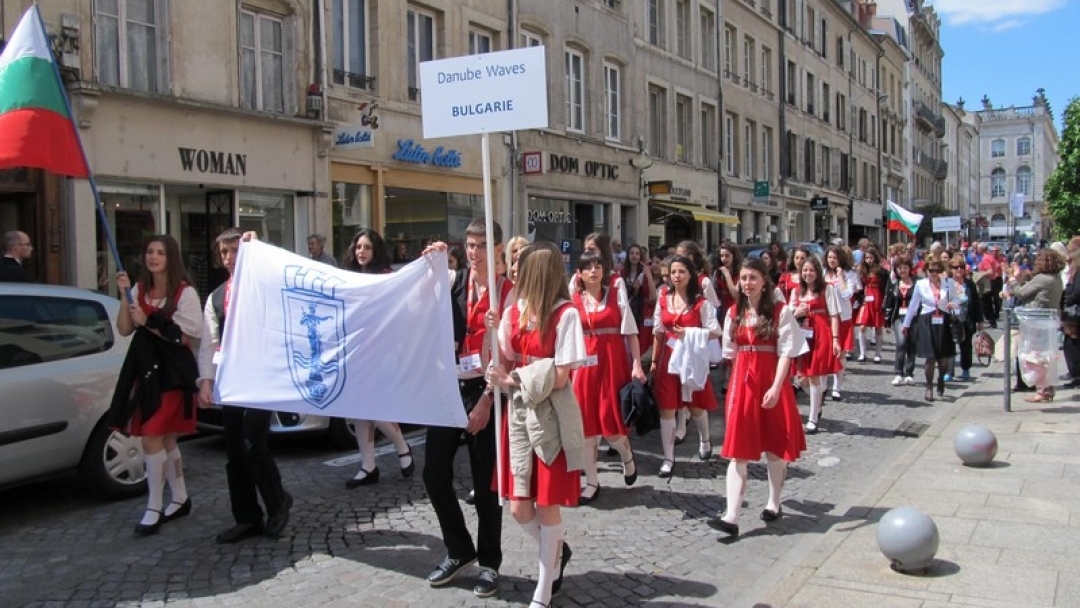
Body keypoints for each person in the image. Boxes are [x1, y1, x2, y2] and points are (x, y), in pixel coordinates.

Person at [486, 241, 587, 608]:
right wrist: (493, 331)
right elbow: (505, 356)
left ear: (537, 273)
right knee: (518, 507)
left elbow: (561, 376)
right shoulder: (515, 311)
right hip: (517, 414)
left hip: (551, 417)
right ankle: (556, 548)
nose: (515, 274)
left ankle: (542, 592)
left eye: (521, 268)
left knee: (546, 505)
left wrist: (511, 379)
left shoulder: (566, 314)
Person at [420, 220, 512, 599]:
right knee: (433, 473)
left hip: (487, 387)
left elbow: (509, 352)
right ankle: (460, 549)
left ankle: (490, 562)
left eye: (481, 246)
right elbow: (421, 297)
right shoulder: (457, 281)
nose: (474, 252)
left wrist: (488, 399)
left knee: (485, 481)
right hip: (451, 385)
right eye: (469, 245)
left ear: (498, 249)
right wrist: (429, 263)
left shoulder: (508, 291)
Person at [197, 228, 291, 543]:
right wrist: (206, 381)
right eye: (223, 253)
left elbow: (284, 275)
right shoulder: (214, 297)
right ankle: (247, 517)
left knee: (254, 444)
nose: (228, 258)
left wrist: (259, 245)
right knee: (235, 451)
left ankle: (278, 503)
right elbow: (210, 344)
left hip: (261, 377)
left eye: (234, 251)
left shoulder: (263, 287)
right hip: (232, 381)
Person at [107, 235, 201, 536]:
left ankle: (154, 505)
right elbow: (124, 329)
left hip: (172, 375)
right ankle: (181, 497)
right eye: (149, 251)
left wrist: (149, 321)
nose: (153, 257)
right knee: (167, 440)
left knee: (151, 436)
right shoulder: (141, 289)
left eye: (160, 252)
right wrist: (124, 295)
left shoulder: (185, 294)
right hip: (145, 371)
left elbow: (187, 337)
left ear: (171, 257)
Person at [708, 258, 807, 539]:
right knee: (737, 450)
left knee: (774, 447)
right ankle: (731, 515)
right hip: (743, 384)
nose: (747, 283)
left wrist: (776, 387)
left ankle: (774, 501)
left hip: (770, 382)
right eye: (743, 278)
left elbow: (787, 351)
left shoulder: (780, 312)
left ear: (765, 282)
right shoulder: (733, 313)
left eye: (753, 278)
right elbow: (730, 352)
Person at [571, 250, 646, 505]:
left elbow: (631, 332)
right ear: (579, 274)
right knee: (586, 430)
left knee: (612, 426)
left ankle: (626, 455)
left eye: (597, 266)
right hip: (583, 369)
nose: (593, 270)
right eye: (588, 267)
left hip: (612, 365)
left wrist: (637, 363)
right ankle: (592, 481)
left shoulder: (616, 293)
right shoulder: (572, 301)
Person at [342, 229, 415, 487]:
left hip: (381, 353)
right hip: (356, 352)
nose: (361, 251)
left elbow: (400, 313)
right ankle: (368, 465)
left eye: (367, 247)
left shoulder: (387, 278)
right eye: (358, 246)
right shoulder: (347, 277)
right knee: (359, 410)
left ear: (376, 251)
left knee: (374, 407)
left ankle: (402, 446)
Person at [650, 255, 721, 477]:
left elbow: (716, 331)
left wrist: (689, 333)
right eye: (673, 272)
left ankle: (705, 440)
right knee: (667, 407)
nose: (676, 276)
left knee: (695, 406)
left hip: (692, 358)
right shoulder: (663, 298)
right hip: (668, 360)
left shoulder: (701, 303)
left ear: (690, 274)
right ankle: (669, 457)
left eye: (681, 271)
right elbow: (658, 331)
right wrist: (653, 361)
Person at [1003, 249, 1065, 402]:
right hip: (1050, 320)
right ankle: (1047, 388)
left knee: (1032, 355)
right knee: (1046, 355)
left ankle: (1040, 389)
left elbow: (1021, 293)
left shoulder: (1043, 279)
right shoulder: (1056, 278)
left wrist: (1012, 279)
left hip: (1037, 321)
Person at [790, 255, 841, 434]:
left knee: (814, 376)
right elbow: (788, 315)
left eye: (811, 270)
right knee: (802, 378)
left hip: (821, 334)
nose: (808, 273)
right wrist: (796, 312)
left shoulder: (827, 289)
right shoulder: (797, 292)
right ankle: (817, 403)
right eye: (805, 270)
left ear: (817, 272)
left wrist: (835, 339)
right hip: (803, 335)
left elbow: (834, 315)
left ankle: (812, 418)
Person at [902, 258, 960, 402]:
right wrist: (906, 324)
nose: (934, 273)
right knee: (930, 357)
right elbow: (914, 305)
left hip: (944, 320)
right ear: (926, 271)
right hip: (926, 321)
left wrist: (954, 305)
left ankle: (941, 378)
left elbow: (957, 300)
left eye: (937, 271)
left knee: (943, 358)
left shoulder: (949, 283)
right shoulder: (921, 285)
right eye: (931, 271)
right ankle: (929, 387)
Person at [823, 245, 858, 400]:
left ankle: (837, 387)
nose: (832, 260)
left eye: (835, 258)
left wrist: (840, 277)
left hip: (842, 317)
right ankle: (823, 385)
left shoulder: (849, 274)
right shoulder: (822, 273)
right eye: (830, 257)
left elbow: (847, 294)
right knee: (824, 352)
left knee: (840, 353)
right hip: (825, 318)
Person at [946, 254, 985, 383]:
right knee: (949, 346)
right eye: (956, 267)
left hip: (966, 319)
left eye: (961, 267)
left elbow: (977, 303)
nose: (958, 270)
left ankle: (965, 369)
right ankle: (949, 372)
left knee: (966, 346)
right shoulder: (947, 284)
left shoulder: (970, 284)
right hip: (951, 320)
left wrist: (980, 320)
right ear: (951, 269)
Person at [884, 257, 917, 386]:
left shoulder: (917, 283)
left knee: (911, 345)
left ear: (910, 268)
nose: (902, 270)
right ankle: (898, 373)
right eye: (900, 268)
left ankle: (909, 373)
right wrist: (887, 320)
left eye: (905, 267)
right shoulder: (894, 284)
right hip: (899, 317)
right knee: (901, 343)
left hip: (914, 317)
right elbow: (889, 303)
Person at [621, 243, 657, 359]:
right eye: (631, 253)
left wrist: (648, 276)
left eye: (637, 253)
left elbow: (652, 296)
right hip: (628, 309)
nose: (634, 256)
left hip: (642, 311)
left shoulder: (645, 272)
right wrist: (634, 290)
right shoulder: (622, 273)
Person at [855, 248, 889, 363]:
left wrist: (885, 303)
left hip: (878, 300)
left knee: (878, 327)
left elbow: (885, 287)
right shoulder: (862, 270)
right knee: (862, 326)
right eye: (866, 258)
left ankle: (878, 353)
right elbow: (860, 286)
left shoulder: (881, 271)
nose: (868, 260)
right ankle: (862, 353)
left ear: (875, 258)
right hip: (866, 300)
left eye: (871, 258)